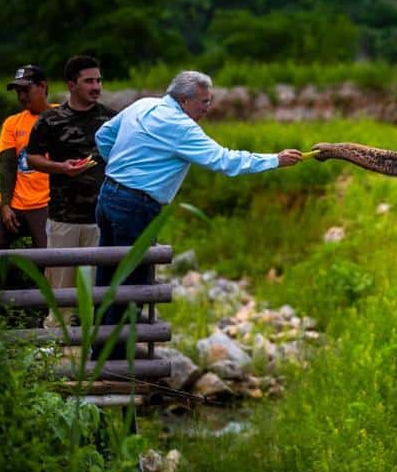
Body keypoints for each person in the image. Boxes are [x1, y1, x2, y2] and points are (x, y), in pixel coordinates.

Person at [93, 70, 302, 347]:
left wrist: (120, 165)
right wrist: (275, 160)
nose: (208, 108)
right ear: (183, 100)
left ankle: (97, 353)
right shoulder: (182, 127)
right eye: (204, 101)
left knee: (107, 278)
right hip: (135, 207)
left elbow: (103, 135)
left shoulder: (143, 104)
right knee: (132, 284)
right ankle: (112, 361)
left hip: (108, 194)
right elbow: (225, 161)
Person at [27, 55, 116, 326]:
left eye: (98, 80)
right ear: (71, 85)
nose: (96, 86)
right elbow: (31, 158)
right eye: (89, 81)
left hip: (100, 219)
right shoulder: (51, 119)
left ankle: (91, 357)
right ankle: (56, 355)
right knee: (60, 296)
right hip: (62, 219)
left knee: (94, 296)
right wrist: (60, 167)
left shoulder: (110, 119)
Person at [0, 65, 52, 259]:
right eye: (18, 91)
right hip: (15, 201)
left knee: (50, 259)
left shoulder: (61, 116)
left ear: (42, 87)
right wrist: (5, 205)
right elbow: (7, 166)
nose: (21, 96)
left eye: (26, 90)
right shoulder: (12, 123)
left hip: (46, 203)